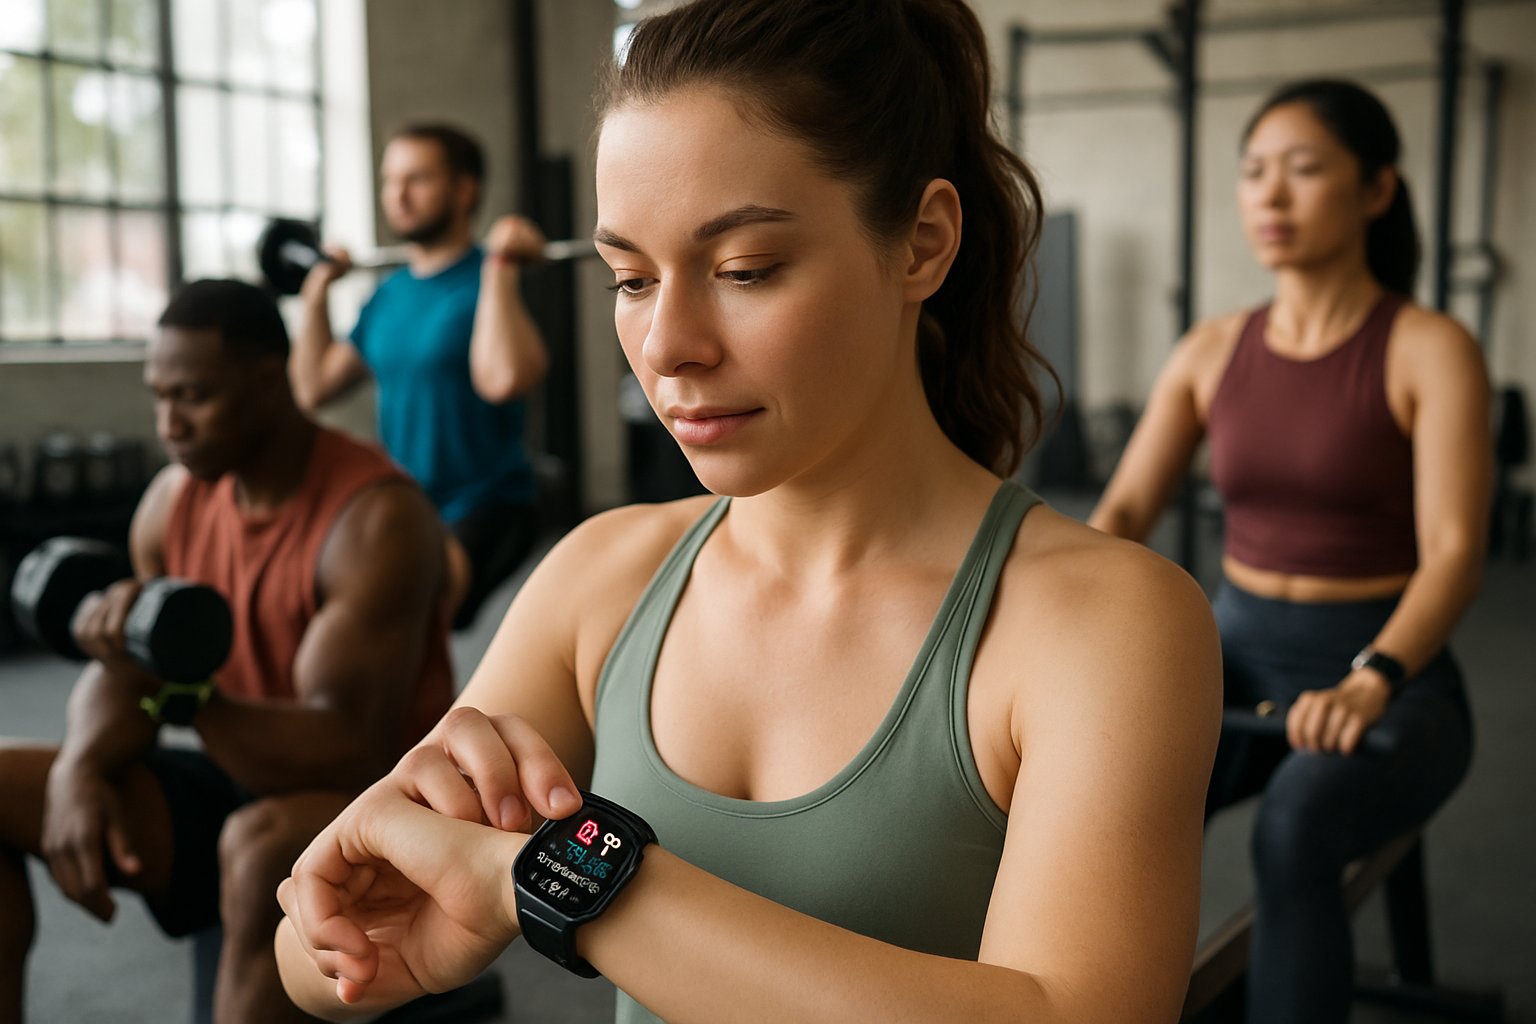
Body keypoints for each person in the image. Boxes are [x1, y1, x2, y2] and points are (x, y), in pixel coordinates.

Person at [275, 2, 1222, 1021]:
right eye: (630, 279)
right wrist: (370, 901)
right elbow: (315, 955)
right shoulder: (603, 575)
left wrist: (577, 889)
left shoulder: (1103, 622)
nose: (668, 344)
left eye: (744, 270)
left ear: (922, 242)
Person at [1089, 79, 1489, 1023]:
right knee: (1103, 796)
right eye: (1255, 173)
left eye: (1304, 171)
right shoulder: (1212, 349)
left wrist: (1372, 675)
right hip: (1234, 662)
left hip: (1391, 676)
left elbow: (1457, 550)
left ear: (1376, 190)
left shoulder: (1429, 349)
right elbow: (1124, 511)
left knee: (1296, 827)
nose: (1270, 197)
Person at [0, 280, 454, 1024]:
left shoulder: (375, 519)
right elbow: (127, 670)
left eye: (194, 397)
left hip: (376, 801)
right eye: (159, 398)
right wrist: (80, 767)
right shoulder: (172, 500)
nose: (169, 424)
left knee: (256, 845)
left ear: (266, 382)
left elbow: (347, 746)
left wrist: (183, 690)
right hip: (237, 764)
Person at [291, 122, 550, 630]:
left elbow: (504, 379)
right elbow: (313, 387)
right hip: (406, 502)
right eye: (391, 181)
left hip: (486, 504)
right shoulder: (388, 295)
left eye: (417, 180)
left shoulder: (486, 281)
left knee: (412, 619)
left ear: (464, 189)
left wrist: (499, 266)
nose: (398, 196)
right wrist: (316, 292)